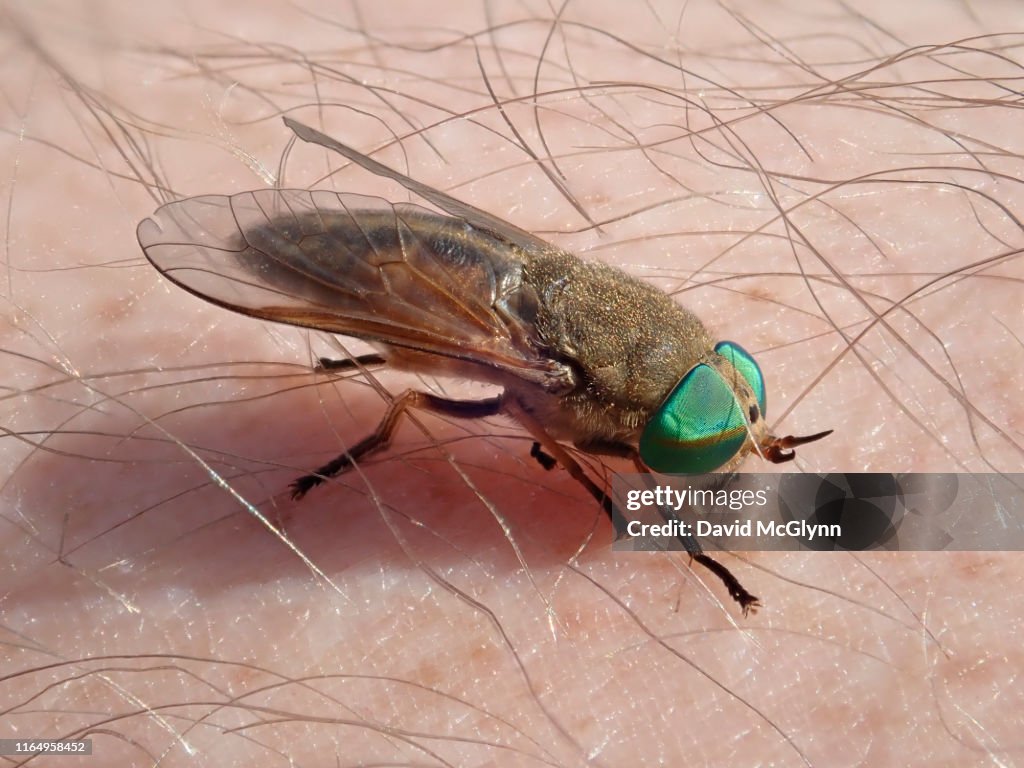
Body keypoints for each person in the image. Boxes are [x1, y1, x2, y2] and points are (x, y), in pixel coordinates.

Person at [2, 2, 1020, 764]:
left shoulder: (660, 352)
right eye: (730, 410)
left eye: (733, 406)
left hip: (484, 271)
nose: (747, 425)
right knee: (419, 388)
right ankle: (368, 417)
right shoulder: (585, 397)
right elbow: (570, 446)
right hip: (424, 297)